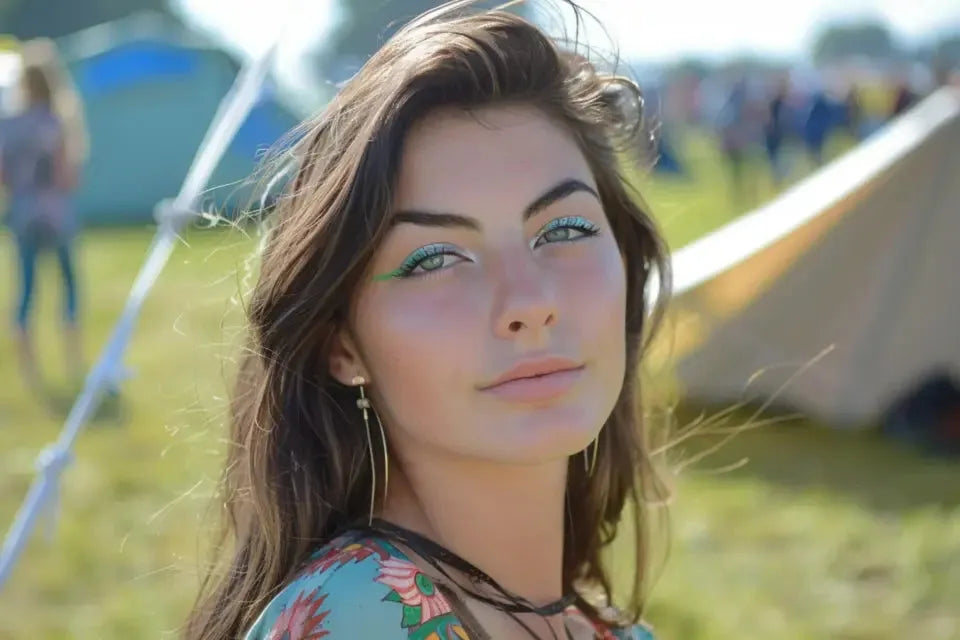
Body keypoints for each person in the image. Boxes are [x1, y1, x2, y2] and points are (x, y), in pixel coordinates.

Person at [185, 2, 670, 639]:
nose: (528, 302)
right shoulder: (359, 622)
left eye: (565, 228)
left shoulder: (616, 632)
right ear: (342, 344)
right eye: (436, 258)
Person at [1, 39, 86, 391]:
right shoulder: (57, 122)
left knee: (26, 288)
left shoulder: (9, 125)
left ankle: (29, 370)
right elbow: (67, 175)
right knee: (68, 284)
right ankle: (74, 360)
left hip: (21, 211)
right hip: (55, 210)